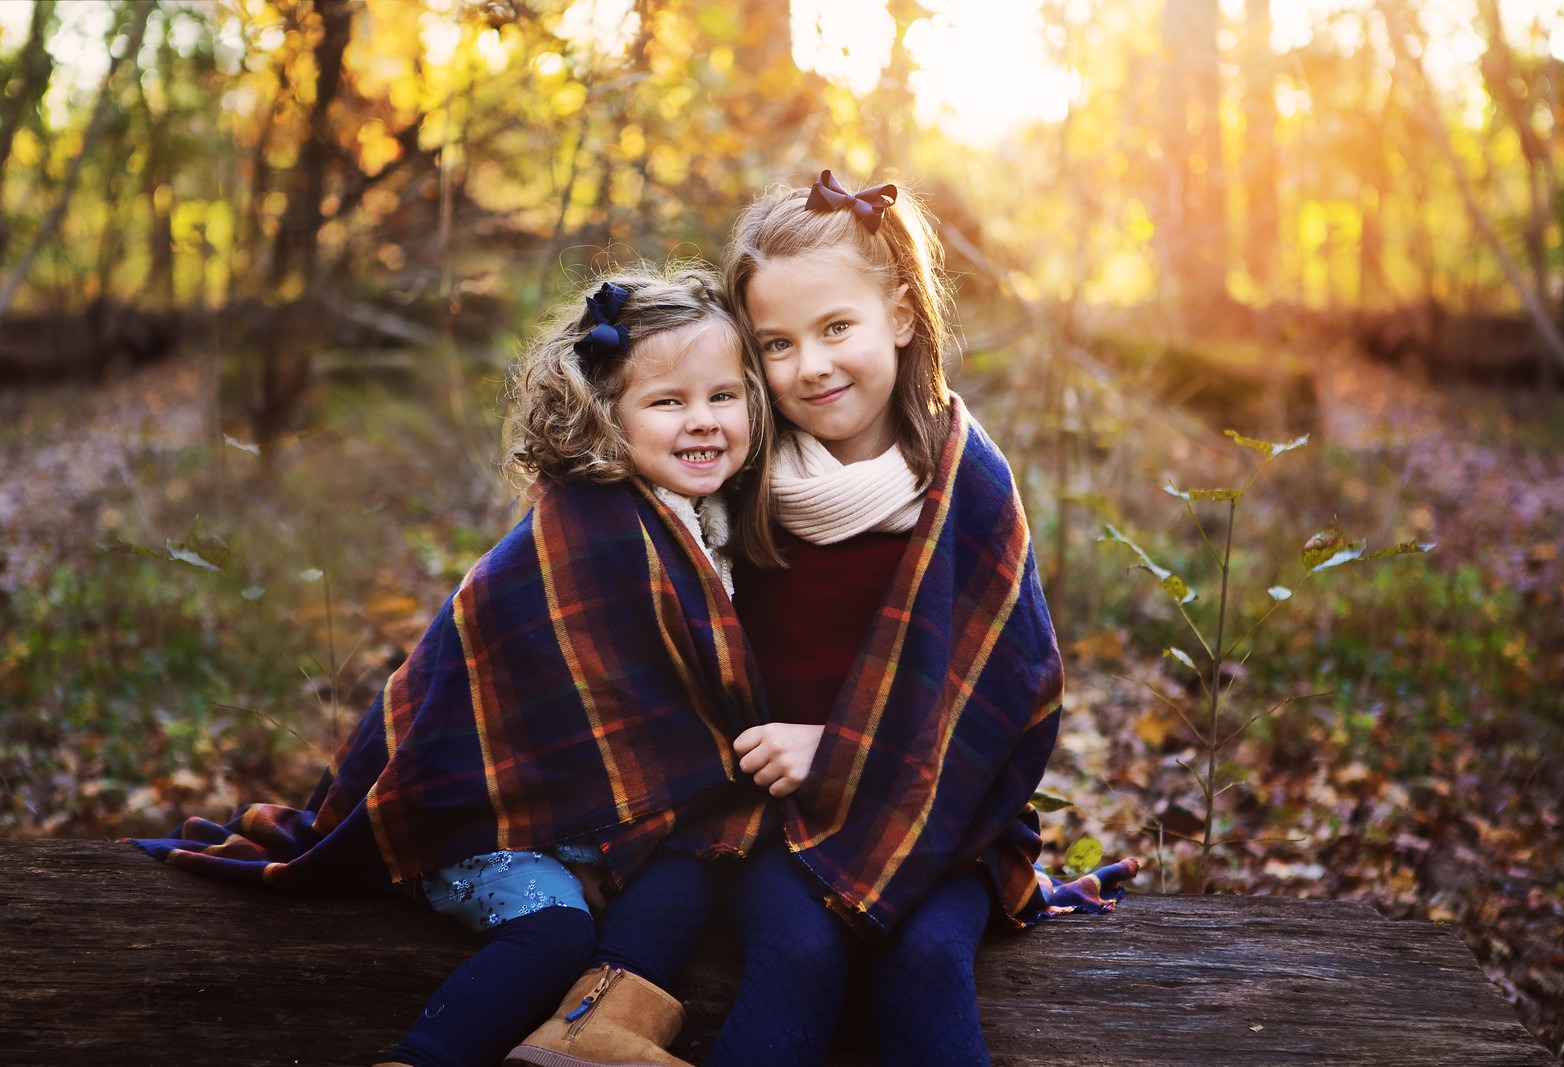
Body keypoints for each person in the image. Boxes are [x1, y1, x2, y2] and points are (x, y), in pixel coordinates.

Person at [127, 264, 779, 1067]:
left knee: (713, 841)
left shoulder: (704, 521)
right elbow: (496, 690)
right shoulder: (594, 524)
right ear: (608, 416)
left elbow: (665, 704)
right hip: (473, 823)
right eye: (668, 402)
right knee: (556, 929)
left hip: (581, 827)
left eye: (723, 396)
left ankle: (600, 1023)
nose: (703, 421)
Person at [707, 169, 1133, 1066]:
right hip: (781, 816)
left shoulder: (966, 482)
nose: (811, 365)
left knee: (929, 955)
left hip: (946, 813)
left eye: (835, 328)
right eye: (776, 344)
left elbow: (1007, 694)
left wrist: (839, 748)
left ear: (901, 316)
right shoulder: (737, 485)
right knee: (799, 951)